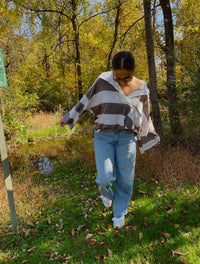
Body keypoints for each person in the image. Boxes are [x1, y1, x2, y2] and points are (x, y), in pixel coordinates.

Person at [60, 51, 160, 228]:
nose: (120, 81)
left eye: (125, 78)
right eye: (117, 77)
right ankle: (105, 192)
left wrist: (148, 136)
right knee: (105, 178)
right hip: (103, 135)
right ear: (112, 71)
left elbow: (145, 115)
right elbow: (87, 100)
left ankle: (119, 212)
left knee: (125, 179)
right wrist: (70, 117)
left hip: (127, 137)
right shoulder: (103, 81)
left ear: (133, 70)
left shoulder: (142, 88)